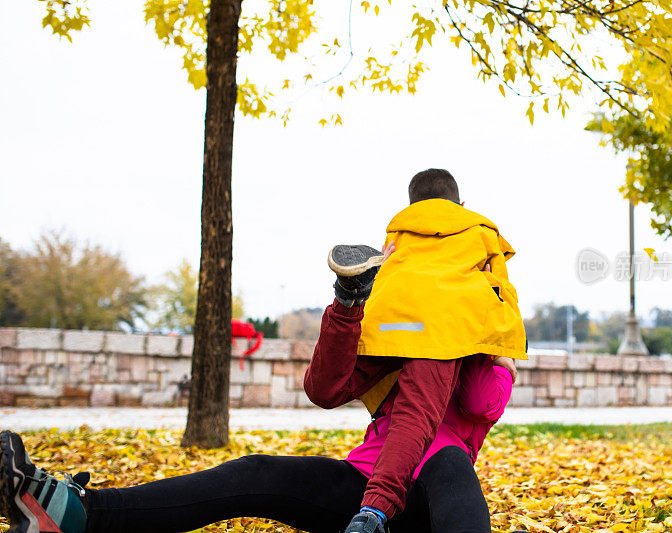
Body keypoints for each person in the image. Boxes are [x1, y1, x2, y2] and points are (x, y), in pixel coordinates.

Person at [0, 269, 517, 533]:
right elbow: (327, 385)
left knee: (449, 463)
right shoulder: (395, 328)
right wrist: (349, 305)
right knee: (255, 471)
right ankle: (79, 513)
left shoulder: (483, 341)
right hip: (365, 484)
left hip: (434, 492)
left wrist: (483, 349)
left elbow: (477, 399)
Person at [324, 169, 526, 532]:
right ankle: (374, 513)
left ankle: (347, 300)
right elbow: (480, 403)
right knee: (419, 417)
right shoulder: (481, 269)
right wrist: (497, 357)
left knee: (323, 390)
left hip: (371, 457)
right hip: (430, 467)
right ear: (461, 208)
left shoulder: (398, 264)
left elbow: (329, 390)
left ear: (413, 209)